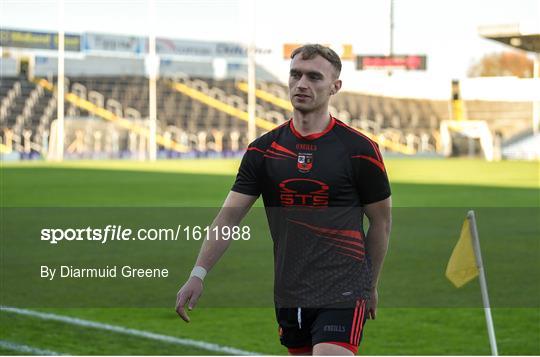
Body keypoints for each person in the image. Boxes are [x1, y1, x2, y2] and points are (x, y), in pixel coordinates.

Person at [176, 44, 392, 356]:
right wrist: (198, 274)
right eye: (295, 75)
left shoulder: (359, 150)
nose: (302, 83)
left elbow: (381, 223)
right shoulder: (263, 151)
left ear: (335, 87)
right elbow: (228, 219)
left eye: (314, 77)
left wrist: (369, 284)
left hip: (344, 288)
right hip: (291, 291)